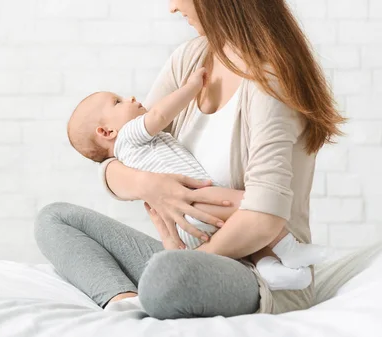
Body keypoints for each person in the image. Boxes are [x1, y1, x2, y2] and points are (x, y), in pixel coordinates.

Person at [35, 0, 345, 319]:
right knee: (54, 218)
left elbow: (264, 219)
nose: (171, 7)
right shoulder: (191, 59)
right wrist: (151, 185)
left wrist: (191, 259)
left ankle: (161, 284)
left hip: (260, 275)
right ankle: (122, 301)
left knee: (167, 276)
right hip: (184, 254)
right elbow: (119, 154)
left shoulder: (270, 80)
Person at [66, 66, 330, 291]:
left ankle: (267, 266)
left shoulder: (126, 155)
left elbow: (112, 167)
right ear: (106, 131)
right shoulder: (130, 134)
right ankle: (288, 249)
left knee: (243, 219)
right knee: (249, 204)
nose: (130, 98)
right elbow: (159, 115)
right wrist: (191, 88)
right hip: (195, 202)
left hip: (185, 231)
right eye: (118, 102)